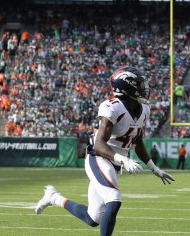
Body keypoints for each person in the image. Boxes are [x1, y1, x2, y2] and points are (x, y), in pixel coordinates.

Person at [35, 66, 175, 236]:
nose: (143, 87)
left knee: (92, 218)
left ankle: (53, 197)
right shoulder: (113, 107)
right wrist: (124, 159)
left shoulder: (144, 109)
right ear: (127, 87)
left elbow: (137, 142)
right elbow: (99, 144)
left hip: (115, 162)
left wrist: (154, 168)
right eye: (138, 83)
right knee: (114, 199)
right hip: (98, 158)